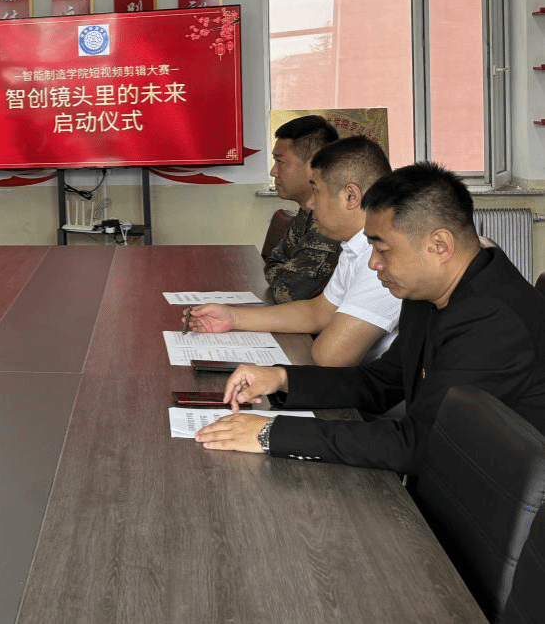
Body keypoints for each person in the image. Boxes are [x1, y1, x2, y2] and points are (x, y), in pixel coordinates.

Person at [195, 162, 545, 476]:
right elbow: (382, 382)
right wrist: (282, 379)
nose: (374, 263)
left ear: (439, 245)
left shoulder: (492, 322)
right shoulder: (430, 291)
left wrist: (271, 433)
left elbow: (419, 445)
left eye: (383, 249)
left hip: (488, 507)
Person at [188, 136, 398, 366]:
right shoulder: (355, 248)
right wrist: (232, 317)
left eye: (316, 191)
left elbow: (331, 356)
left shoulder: (381, 259)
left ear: (351, 196)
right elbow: (316, 313)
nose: (309, 204)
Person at [263, 115, 341, 303]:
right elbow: (273, 261)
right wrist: (283, 272)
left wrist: (282, 273)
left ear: (314, 165)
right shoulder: (307, 211)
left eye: (280, 162)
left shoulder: (332, 221)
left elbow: (288, 292)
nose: (273, 172)